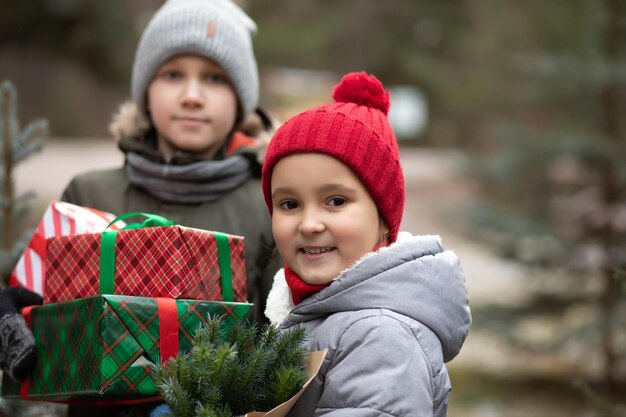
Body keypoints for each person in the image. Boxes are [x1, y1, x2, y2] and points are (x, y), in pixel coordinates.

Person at [0, 0, 279, 415]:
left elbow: (287, 336)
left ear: (242, 101)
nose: (191, 96)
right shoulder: (90, 194)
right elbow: (37, 304)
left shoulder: (268, 203)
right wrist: (12, 311)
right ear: (145, 89)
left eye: (215, 78)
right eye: (171, 74)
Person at [261, 71, 472, 416]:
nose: (310, 224)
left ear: (384, 219)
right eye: (289, 204)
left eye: (336, 201)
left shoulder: (381, 337)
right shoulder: (314, 313)